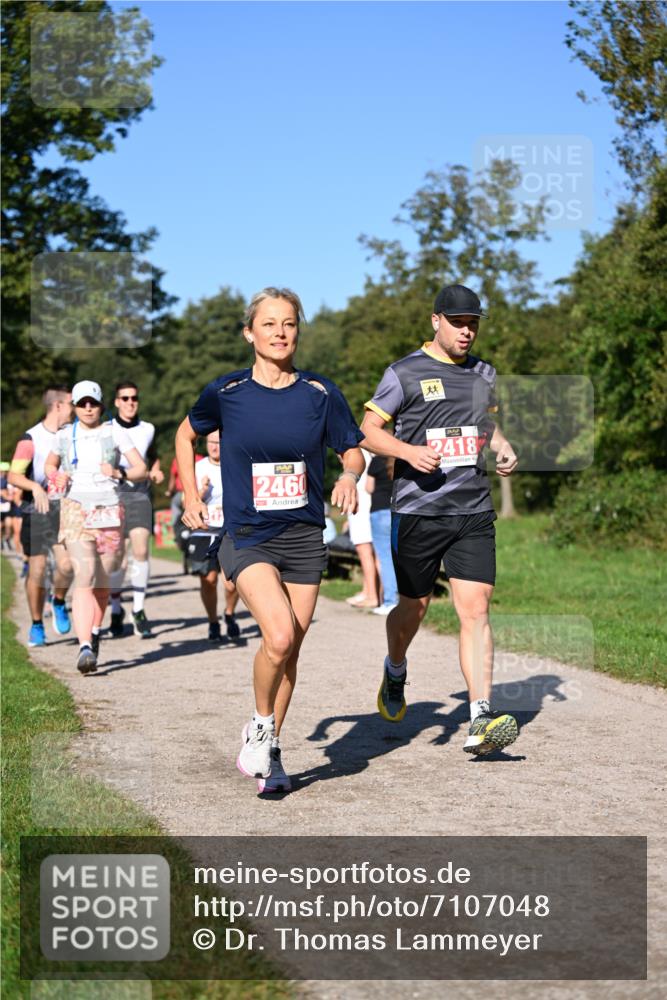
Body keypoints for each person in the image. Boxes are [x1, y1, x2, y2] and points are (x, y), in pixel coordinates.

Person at [176, 286, 364, 792]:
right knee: (277, 636)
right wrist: (192, 495)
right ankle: (260, 727)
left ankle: (271, 753)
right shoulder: (228, 392)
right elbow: (184, 434)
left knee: (291, 651)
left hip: (304, 535)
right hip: (249, 534)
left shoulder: (320, 393)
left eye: (289, 323)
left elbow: (352, 449)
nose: (281, 333)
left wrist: (348, 476)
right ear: (249, 333)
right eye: (270, 324)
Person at [361, 283, 520, 755]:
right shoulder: (403, 373)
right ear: (436, 321)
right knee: (414, 608)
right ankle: (395, 669)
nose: (467, 332)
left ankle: (480, 718)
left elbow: (484, 424)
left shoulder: (484, 373)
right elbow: (368, 431)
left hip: (472, 509)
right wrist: (408, 451)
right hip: (419, 511)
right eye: (458, 323)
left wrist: (501, 445)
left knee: (476, 609)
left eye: (473, 323)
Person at [44, 380, 146, 673]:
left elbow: (140, 469)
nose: (87, 408)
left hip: (109, 511)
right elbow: (50, 466)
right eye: (82, 403)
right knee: (85, 573)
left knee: (105, 576)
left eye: (92, 403)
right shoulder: (64, 435)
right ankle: (85, 646)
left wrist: (118, 471)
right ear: (74, 407)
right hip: (75, 507)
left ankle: (96, 630)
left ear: (101, 406)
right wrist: (56, 477)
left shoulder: (115, 433)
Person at [8, 386, 75, 646]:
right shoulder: (31, 438)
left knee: (67, 565)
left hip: (65, 510)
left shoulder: (72, 435)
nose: (77, 408)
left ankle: (58, 601)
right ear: (58, 406)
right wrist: (35, 487)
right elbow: (14, 475)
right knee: (36, 570)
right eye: (71, 403)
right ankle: (36, 624)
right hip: (37, 511)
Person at [108, 381, 164, 639]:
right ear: (117, 402)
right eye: (125, 398)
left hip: (140, 494)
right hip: (113, 496)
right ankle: (117, 608)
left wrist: (155, 470)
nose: (131, 402)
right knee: (117, 556)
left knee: (141, 550)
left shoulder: (148, 429)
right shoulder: (106, 429)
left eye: (134, 398)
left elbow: (153, 456)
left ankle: (139, 610)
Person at [190, 429, 241, 641]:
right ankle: (212, 621)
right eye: (211, 442)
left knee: (231, 582)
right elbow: (187, 500)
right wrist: (200, 493)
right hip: (204, 531)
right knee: (208, 580)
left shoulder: (235, 465)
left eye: (218, 443)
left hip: (229, 529)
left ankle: (229, 613)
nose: (214, 447)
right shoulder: (198, 467)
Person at [344, 448, 380, 609]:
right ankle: (369, 591)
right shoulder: (372, 451)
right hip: (373, 503)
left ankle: (372, 595)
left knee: (364, 551)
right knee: (374, 552)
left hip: (361, 504)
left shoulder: (354, 452)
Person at [366, 453, 399, 615]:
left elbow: (368, 488)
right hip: (398, 511)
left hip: (379, 512)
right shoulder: (402, 458)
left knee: (385, 558)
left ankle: (391, 601)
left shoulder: (376, 461)